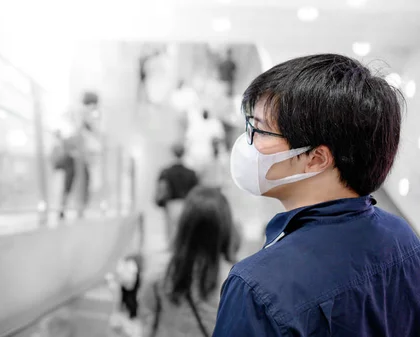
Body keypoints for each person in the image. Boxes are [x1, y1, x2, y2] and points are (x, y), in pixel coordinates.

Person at [213, 54, 420, 336]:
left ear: (316, 159)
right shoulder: (403, 238)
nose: (246, 141)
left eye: (259, 130)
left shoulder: (258, 287)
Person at [141, 186, 237, 337]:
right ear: (224, 228)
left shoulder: (159, 269)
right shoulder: (233, 281)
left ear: (184, 223)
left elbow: (147, 322)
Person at [57, 91, 100, 219]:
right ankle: (76, 209)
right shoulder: (82, 113)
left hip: (76, 156)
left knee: (70, 184)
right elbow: (85, 131)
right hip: (76, 156)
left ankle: (65, 208)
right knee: (81, 183)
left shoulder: (76, 112)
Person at [155, 143, 198, 244]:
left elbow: (161, 188)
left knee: (171, 232)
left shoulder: (166, 172)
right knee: (184, 231)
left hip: (171, 204)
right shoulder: (191, 172)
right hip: (186, 204)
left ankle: (172, 253)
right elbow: (196, 190)